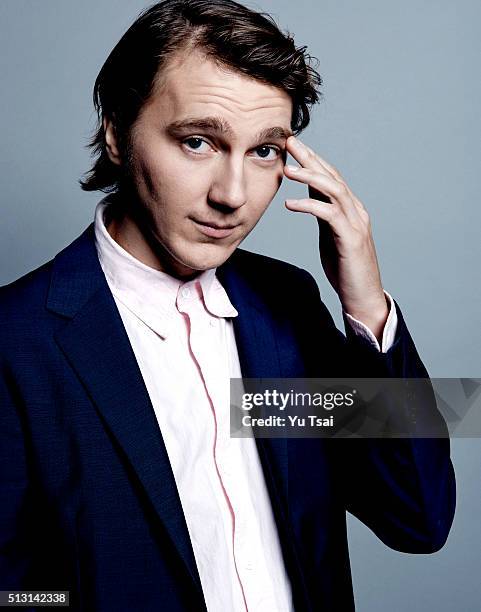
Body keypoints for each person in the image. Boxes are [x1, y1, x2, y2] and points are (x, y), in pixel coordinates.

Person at [0, 1, 455, 610]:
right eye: (197, 142)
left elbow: (417, 519)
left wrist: (366, 303)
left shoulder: (286, 305)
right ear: (116, 132)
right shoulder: (16, 341)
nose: (232, 195)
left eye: (264, 152)